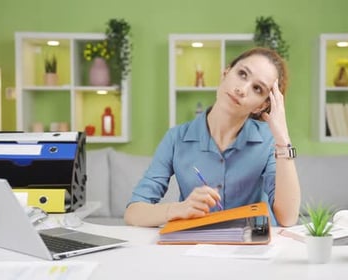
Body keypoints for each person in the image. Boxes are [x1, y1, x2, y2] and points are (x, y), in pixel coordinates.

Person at [124, 47, 301, 227]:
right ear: (225, 73)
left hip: (251, 249)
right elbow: (133, 213)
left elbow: (287, 218)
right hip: (194, 247)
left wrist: (283, 138)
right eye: (242, 74)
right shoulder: (176, 138)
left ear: (261, 107)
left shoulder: (269, 141)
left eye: (257, 88)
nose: (242, 89)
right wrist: (179, 209)